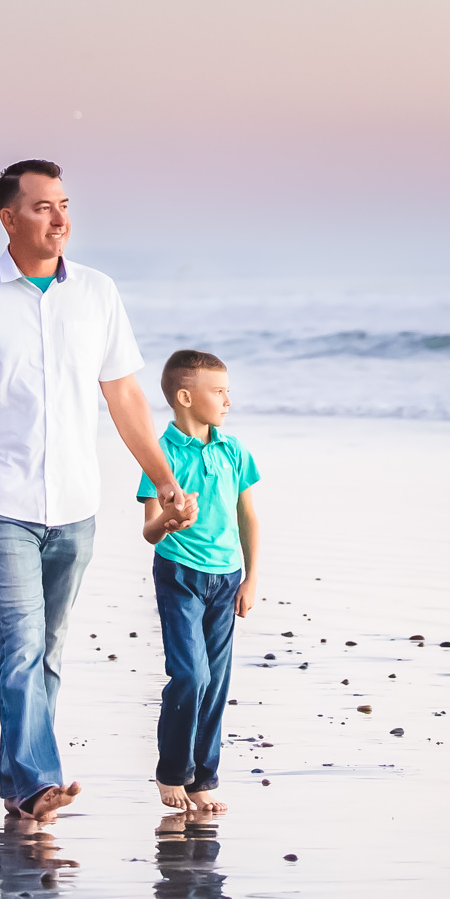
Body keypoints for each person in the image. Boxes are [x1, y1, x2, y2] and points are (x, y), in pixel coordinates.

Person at [0, 159, 196, 821]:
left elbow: (125, 396)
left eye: (65, 204)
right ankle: (42, 778)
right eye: (43, 206)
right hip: (0, 500)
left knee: (47, 654)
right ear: (8, 218)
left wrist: (164, 479)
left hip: (76, 504)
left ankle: (20, 789)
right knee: (20, 648)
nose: (60, 217)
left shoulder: (98, 293)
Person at [139, 349, 262, 814]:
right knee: (191, 675)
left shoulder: (235, 451)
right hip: (179, 574)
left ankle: (203, 777)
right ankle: (172, 771)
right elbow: (149, 530)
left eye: (228, 391)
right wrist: (169, 521)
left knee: (217, 682)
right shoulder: (161, 454)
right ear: (186, 397)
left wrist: (251, 578)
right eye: (219, 392)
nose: (228, 400)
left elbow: (247, 515)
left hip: (227, 577)